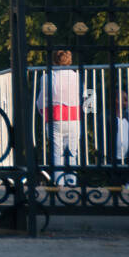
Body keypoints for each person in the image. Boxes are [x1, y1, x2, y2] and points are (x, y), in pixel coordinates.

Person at [36, 49, 81, 186]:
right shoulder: (77, 76)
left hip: (55, 116)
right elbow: (87, 95)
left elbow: (40, 101)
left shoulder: (47, 77)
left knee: (57, 152)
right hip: (74, 117)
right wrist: (86, 113)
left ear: (54, 61)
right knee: (73, 152)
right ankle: (72, 182)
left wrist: (43, 113)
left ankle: (59, 182)